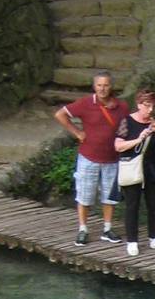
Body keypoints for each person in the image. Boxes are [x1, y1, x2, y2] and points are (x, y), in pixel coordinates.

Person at [55, 71, 129, 246]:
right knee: (84, 194)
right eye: (99, 85)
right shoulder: (85, 103)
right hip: (89, 157)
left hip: (113, 158)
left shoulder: (122, 106)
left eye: (106, 85)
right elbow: (60, 114)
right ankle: (83, 229)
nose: (103, 89)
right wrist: (77, 132)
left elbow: (126, 128)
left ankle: (107, 228)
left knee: (110, 196)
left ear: (111, 86)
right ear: (94, 86)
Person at [113, 85, 155, 257]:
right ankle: (132, 241)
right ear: (139, 104)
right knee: (132, 205)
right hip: (132, 168)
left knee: (154, 204)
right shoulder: (127, 121)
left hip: (152, 168)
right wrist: (138, 139)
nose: (150, 109)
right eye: (147, 105)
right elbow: (118, 146)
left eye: (152, 105)